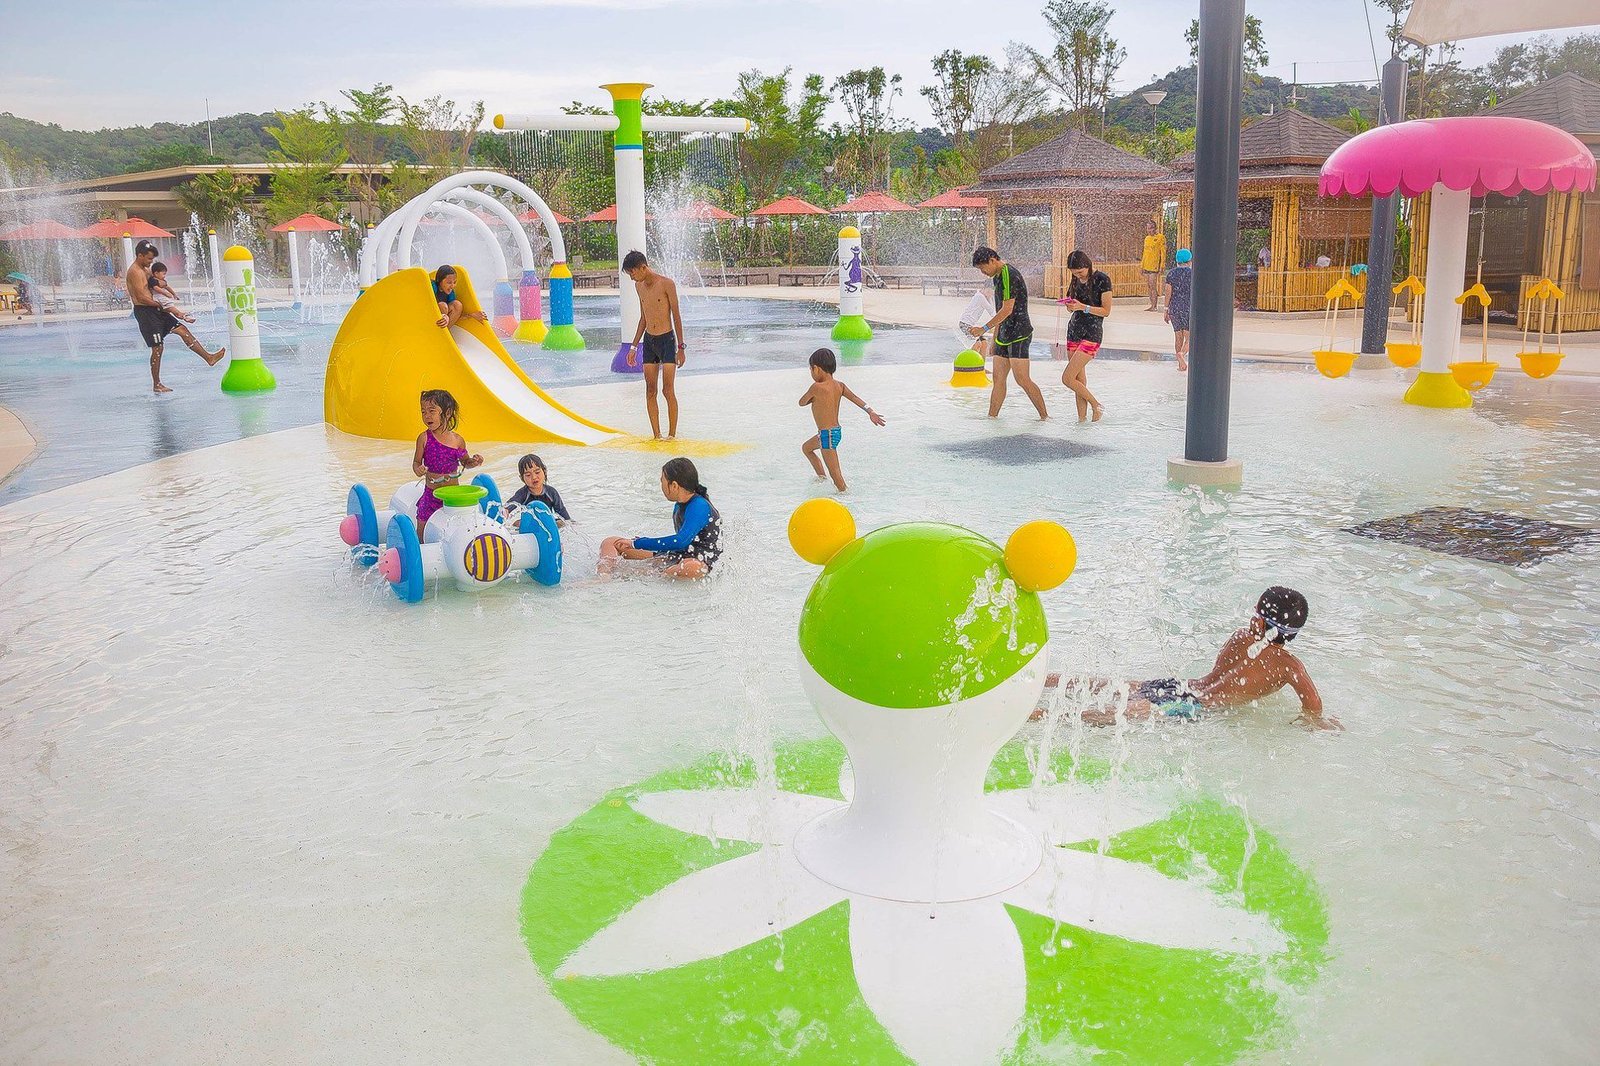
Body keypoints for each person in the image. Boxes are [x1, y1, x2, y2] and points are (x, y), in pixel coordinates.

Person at [1041, 587, 1336, 730]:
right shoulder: (1291, 668)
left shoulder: (1240, 637)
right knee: (1106, 715)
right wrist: (1312, 723)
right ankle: (1034, 716)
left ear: (1258, 621)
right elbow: (1314, 708)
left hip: (1180, 687)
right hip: (1191, 707)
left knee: (1112, 686)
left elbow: (1217, 675)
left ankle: (1044, 679)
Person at [598, 457, 722, 580]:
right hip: (677, 555)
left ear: (674, 485)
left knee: (692, 568)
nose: (661, 486)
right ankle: (604, 577)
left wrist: (637, 543)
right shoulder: (680, 504)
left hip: (698, 563)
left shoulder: (699, 506)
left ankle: (643, 574)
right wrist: (637, 544)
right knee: (611, 542)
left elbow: (681, 541)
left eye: (662, 481)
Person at [126, 239, 224, 394]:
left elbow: (156, 285)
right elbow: (141, 297)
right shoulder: (134, 272)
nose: (151, 262)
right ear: (140, 255)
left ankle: (209, 358)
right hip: (146, 313)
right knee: (158, 348)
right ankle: (156, 384)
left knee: (182, 330)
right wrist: (160, 305)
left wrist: (167, 292)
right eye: (149, 258)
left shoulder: (145, 269)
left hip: (156, 309)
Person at [969, 246, 1047, 421]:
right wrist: (995, 338)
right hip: (1004, 333)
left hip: (1019, 333)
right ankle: (992, 418)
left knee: (1022, 379)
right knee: (998, 379)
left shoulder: (1008, 274)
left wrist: (983, 329)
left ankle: (1045, 417)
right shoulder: (997, 276)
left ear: (992, 260)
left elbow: (1007, 310)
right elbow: (999, 309)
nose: (983, 272)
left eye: (983, 268)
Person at [799, 347, 886, 493]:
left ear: (816, 369)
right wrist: (870, 411)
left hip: (827, 435)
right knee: (807, 448)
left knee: (836, 475)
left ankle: (846, 497)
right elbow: (854, 398)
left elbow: (801, 402)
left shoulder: (816, 387)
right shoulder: (840, 385)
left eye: (811, 369)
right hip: (834, 432)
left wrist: (811, 397)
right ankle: (821, 478)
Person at [621, 250, 687, 440]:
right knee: (650, 389)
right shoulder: (639, 287)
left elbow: (676, 316)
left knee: (668, 390)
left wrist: (681, 348)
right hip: (649, 341)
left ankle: (672, 435)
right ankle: (657, 435)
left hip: (667, 340)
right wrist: (633, 347)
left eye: (633, 273)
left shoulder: (667, 284)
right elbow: (643, 318)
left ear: (643, 267)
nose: (632, 278)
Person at [412, 389, 483, 536]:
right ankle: (421, 549)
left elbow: (465, 462)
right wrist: (418, 469)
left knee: (457, 531)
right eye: (423, 412)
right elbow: (416, 462)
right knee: (422, 528)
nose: (427, 416)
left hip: (453, 495)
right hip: (432, 494)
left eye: (432, 411)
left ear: (448, 412)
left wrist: (474, 462)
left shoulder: (457, 440)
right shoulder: (424, 438)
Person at [1059, 249, 1110, 422]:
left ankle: (1097, 405)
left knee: (1067, 378)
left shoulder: (1102, 279)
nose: (1078, 276)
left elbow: (1106, 311)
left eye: (1080, 272)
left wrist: (1083, 307)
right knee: (1079, 379)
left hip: (1092, 333)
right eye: (1074, 273)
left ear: (1087, 265)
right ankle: (1082, 420)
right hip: (1073, 331)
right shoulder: (1075, 280)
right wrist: (1069, 305)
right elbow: (1073, 301)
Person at [503, 453, 572, 526]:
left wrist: (570, 523)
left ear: (544, 471)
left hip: (548, 522)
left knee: (561, 522)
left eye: (537, 472)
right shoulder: (522, 494)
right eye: (528, 475)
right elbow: (511, 504)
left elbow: (562, 513)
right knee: (517, 523)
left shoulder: (551, 492)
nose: (534, 477)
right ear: (522, 478)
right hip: (530, 523)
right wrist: (505, 511)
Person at [1163, 248, 1194, 372]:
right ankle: (1182, 354)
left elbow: (1168, 292)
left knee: (1178, 335)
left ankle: (1180, 364)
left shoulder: (1171, 274)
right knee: (1190, 337)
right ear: (1190, 260)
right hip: (1188, 306)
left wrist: (1166, 309)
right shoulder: (1193, 273)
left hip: (1174, 307)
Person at [432, 265, 488, 329]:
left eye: (454, 282)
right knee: (443, 305)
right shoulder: (432, 287)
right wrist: (444, 315)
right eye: (449, 282)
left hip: (441, 323)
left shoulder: (450, 293)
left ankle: (444, 332)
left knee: (457, 305)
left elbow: (455, 317)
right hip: (429, 317)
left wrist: (472, 316)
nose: (452, 286)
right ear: (439, 280)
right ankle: (439, 331)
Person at [1140, 219, 1164, 311]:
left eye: (1150, 228)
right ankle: (1152, 305)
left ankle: (1154, 306)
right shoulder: (1147, 239)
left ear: (1155, 228)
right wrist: (1142, 266)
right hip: (1146, 265)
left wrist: (1162, 265)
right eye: (1147, 228)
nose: (1149, 230)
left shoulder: (1160, 237)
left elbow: (1163, 252)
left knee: (1153, 285)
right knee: (1149, 286)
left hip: (1154, 265)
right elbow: (1144, 253)